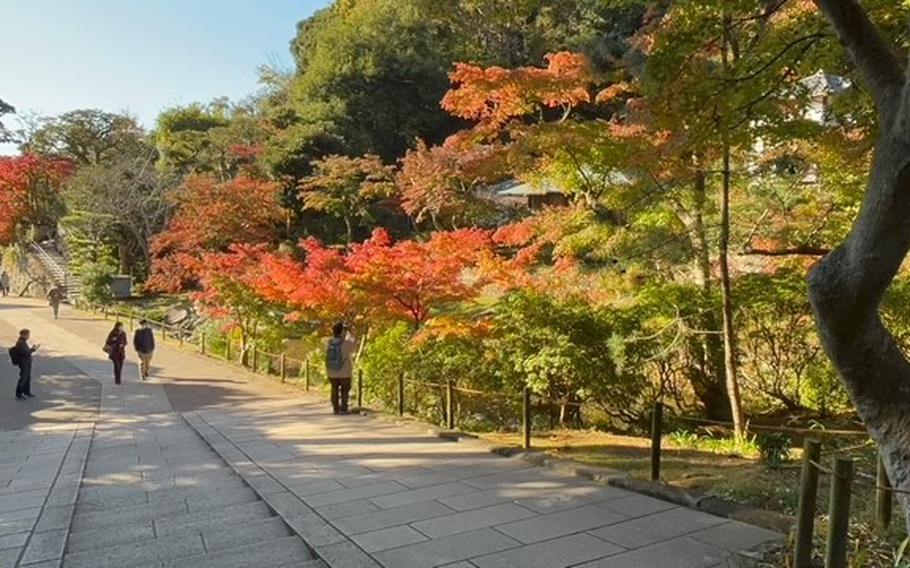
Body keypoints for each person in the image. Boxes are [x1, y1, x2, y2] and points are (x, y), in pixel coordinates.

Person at [325, 322, 356, 415]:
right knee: (345, 390)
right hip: (344, 371)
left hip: (331, 371)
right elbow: (354, 347)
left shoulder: (328, 342)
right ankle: (344, 408)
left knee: (334, 389)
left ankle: (336, 408)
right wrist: (350, 334)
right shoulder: (346, 343)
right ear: (342, 331)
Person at [10, 329, 38, 400]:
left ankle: (26, 391)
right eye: (28, 335)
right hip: (24, 363)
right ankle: (19, 394)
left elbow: (26, 351)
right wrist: (33, 350)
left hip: (27, 362)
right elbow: (25, 352)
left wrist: (31, 349)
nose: (28, 336)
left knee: (27, 378)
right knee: (23, 378)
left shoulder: (23, 342)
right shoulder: (20, 343)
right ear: (23, 335)